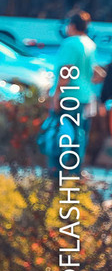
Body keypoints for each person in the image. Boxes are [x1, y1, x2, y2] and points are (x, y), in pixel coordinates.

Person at [47, 9, 98, 169]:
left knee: (59, 132)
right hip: (84, 96)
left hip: (69, 96)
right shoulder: (90, 43)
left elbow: (65, 73)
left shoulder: (70, 43)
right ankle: (76, 170)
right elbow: (95, 73)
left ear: (72, 25)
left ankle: (57, 170)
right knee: (79, 134)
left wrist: (56, 96)